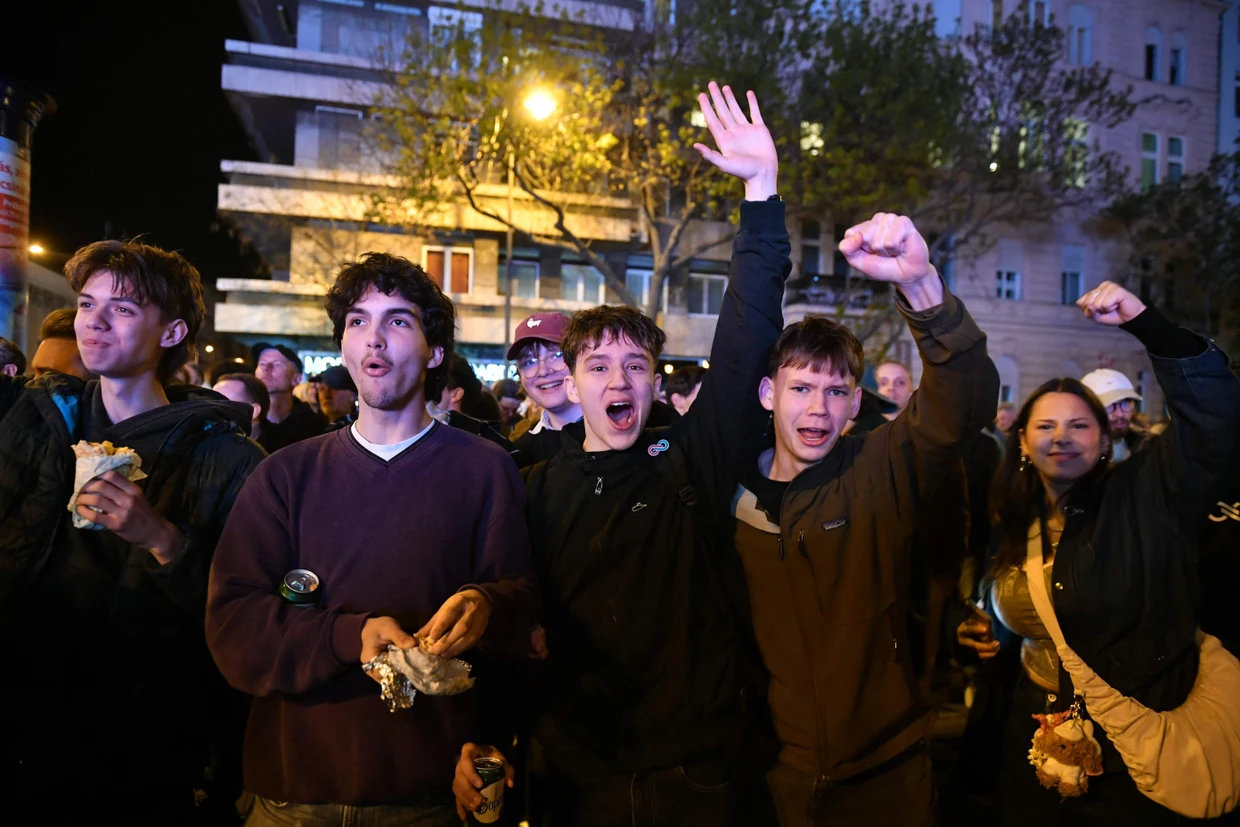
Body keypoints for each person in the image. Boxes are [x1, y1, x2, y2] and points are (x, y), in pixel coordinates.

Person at [453, 83, 787, 827]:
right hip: (574, 777)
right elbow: (510, 624)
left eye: (636, 364)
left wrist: (761, 190)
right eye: (598, 366)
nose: (619, 379)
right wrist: (488, 735)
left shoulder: (690, 462)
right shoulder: (531, 487)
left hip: (694, 776)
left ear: (657, 380)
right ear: (569, 383)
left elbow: (749, 330)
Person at [206, 252, 538, 826]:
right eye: (358, 321)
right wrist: (348, 634)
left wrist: (489, 604)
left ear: (435, 353)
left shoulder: (484, 470)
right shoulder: (285, 475)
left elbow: (522, 611)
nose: (374, 339)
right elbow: (233, 625)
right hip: (294, 798)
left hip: (431, 799)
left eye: (398, 321)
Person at [730, 211, 998, 827]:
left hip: (888, 772)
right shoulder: (727, 489)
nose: (817, 409)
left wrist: (922, 285)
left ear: (856, 402)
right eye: (801, 389)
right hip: (773, 774)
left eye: (835, 392)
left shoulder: (880, 465)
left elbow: (963, 403)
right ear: (770, 394)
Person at [0, 240, 266, 821]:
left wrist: (163, 539)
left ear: (171, 334)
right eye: (88, 303)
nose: (93, 320)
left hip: (143, 746)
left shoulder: (227, 458)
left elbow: (250, 613)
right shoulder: (38, 417)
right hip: (24, 717)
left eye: (121, 309)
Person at [956, 282, 1240, 826]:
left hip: (1133, 741)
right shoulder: (1013, 516)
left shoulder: (1146, 494)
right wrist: (970, 630)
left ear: (1105, 439)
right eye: (1046, 425)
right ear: (1021, 441)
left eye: (1079, 424)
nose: (1062, 436)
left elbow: (1214, 418)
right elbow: (999, 600)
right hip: (1034, 733)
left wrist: (1146, 323)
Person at [252, 341, 326, 451]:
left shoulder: (313, 427)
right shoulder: (244, 421)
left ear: (296, 379)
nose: (266, 368)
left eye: (277, 364)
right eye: (262, 364)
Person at [1080, 368, 1147, 463]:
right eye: (1108, 405)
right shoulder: (1075, 456)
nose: (1119, 414)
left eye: (1125, 403)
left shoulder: (1147, 447)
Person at [214, 372, 271, 446]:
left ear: (253, 411)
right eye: (211, 401)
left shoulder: (282, 449)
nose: (214, 408)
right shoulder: (202, 442)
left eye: (225, 404)